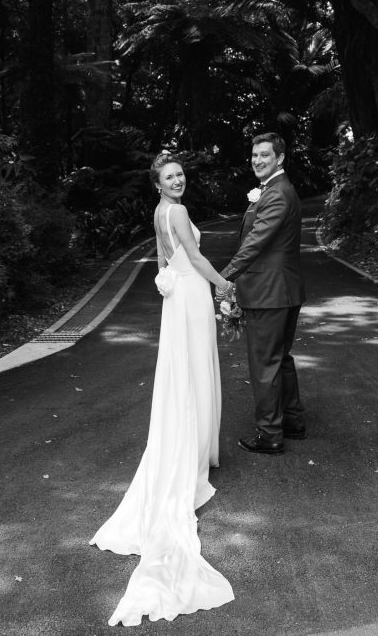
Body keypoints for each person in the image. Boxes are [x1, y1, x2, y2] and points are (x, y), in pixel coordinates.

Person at [90, 153, 235, 627]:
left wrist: (167, 280)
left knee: (185, 371)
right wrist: (224, 285)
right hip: (191, 294)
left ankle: (194, 446)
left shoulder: (158, 213)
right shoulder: (176, 211)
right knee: (196, 369)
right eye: (169, 177)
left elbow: (160, 255)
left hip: (177, 299)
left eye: (180, 175)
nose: (178, 181)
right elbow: (192, 256)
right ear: (158, 184)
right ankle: (196, 451)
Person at [220, 132, 306, 455]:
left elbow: (255, 243)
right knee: (280, 358)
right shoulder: (275, 190)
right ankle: (293, 420)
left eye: (264, 155)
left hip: (269, 294)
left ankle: (270, 434)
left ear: (280, 158)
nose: (257, 160)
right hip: (283, 292)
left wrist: (223, 277)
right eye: (254, 155)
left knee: (264, 364)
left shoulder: (277, 194)